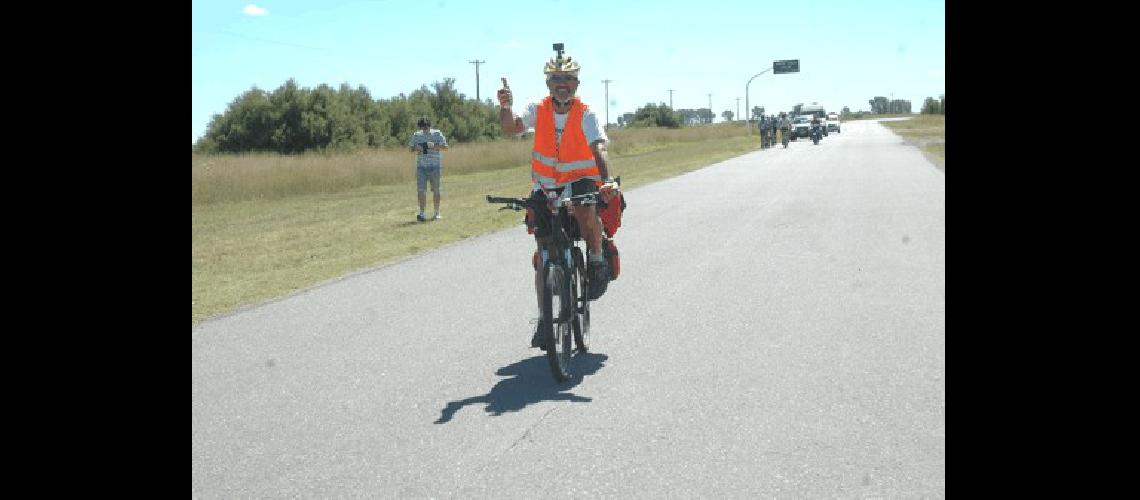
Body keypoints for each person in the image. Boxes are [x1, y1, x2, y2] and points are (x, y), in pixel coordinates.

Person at [497, 44, 617, 350]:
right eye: (555, 80)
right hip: (546, 185)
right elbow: (511, 128)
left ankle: (596, 258)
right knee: (543, 256)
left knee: (585, 209)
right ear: (548, 84)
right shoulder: (538, 110)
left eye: (568, 79)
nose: (561, 85)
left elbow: (598, 147)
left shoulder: (585, 113)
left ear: (576, 83)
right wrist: (505, 105)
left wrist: (605, 181)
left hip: (580, 180)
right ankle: (543, 318)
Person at [408, 117, 448, 221]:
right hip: (421, 167)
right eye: (422, 128)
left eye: (426, 127)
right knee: (421, 190)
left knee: (436, 190)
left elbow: (445, 147)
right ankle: (422, 214)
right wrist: (416, 148)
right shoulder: (416, 135)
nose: (424, 130)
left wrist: (434, 146)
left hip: (435, 166)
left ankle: (436, 212)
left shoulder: (437, 134)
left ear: (430, 126)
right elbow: (410, 148)